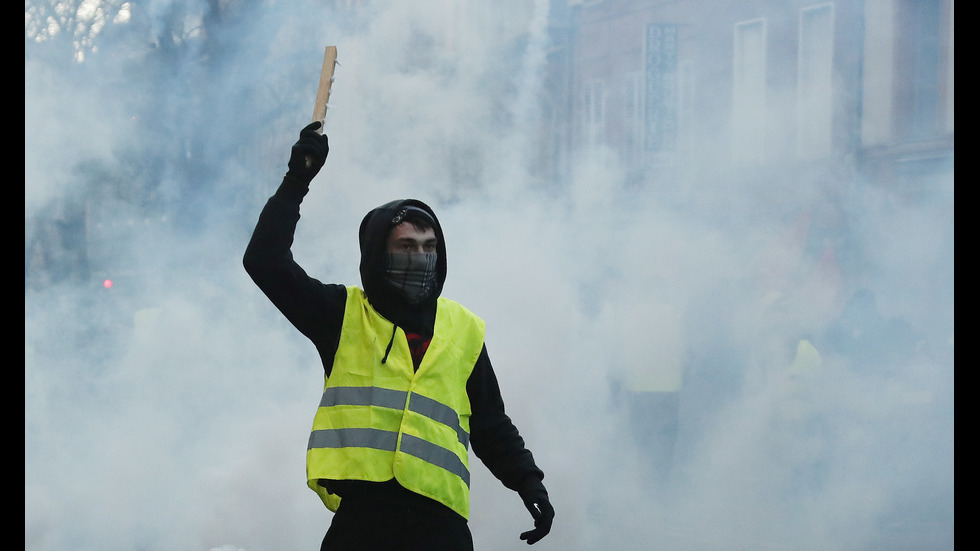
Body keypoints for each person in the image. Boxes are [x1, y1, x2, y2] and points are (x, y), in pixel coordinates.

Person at [243, 122, 554, 550]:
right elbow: (264, 261)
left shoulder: (462, 328)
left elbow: (489, 422)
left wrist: (528, 482)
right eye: (406, 247)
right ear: (376, 253)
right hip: (364, 522)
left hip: (440, 528)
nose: (421, 258)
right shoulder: (342, 314)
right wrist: (298, 180)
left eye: (429, 247)